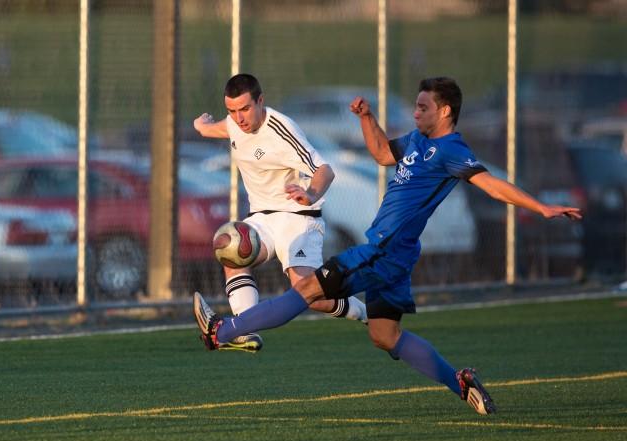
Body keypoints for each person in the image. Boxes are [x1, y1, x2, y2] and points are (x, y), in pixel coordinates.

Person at [193, 77, 582, 414]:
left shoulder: (452, 150)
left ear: (444, 111)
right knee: (385, 336)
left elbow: (491, 184)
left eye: (422, 107)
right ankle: (460, 382)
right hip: (397, 255)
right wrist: (366, 118)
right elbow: (381, 153)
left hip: (382, 249)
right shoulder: (417, 140)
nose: (415, 113)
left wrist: (541, 206)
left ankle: (223, 332)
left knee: (306, 289)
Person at [193, 73, 368, 352]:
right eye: (232, 111)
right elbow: (220, 128)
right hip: (262, 217)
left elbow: (325, 170)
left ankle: (370, 312)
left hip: (297, 218)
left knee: (310, 295)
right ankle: (242, 331)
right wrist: (202, 126)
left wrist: (310, 193)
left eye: (245, 109)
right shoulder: (237, 123)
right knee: (230, 247)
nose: (239, 118)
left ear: (260, 101)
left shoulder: (282, 129)